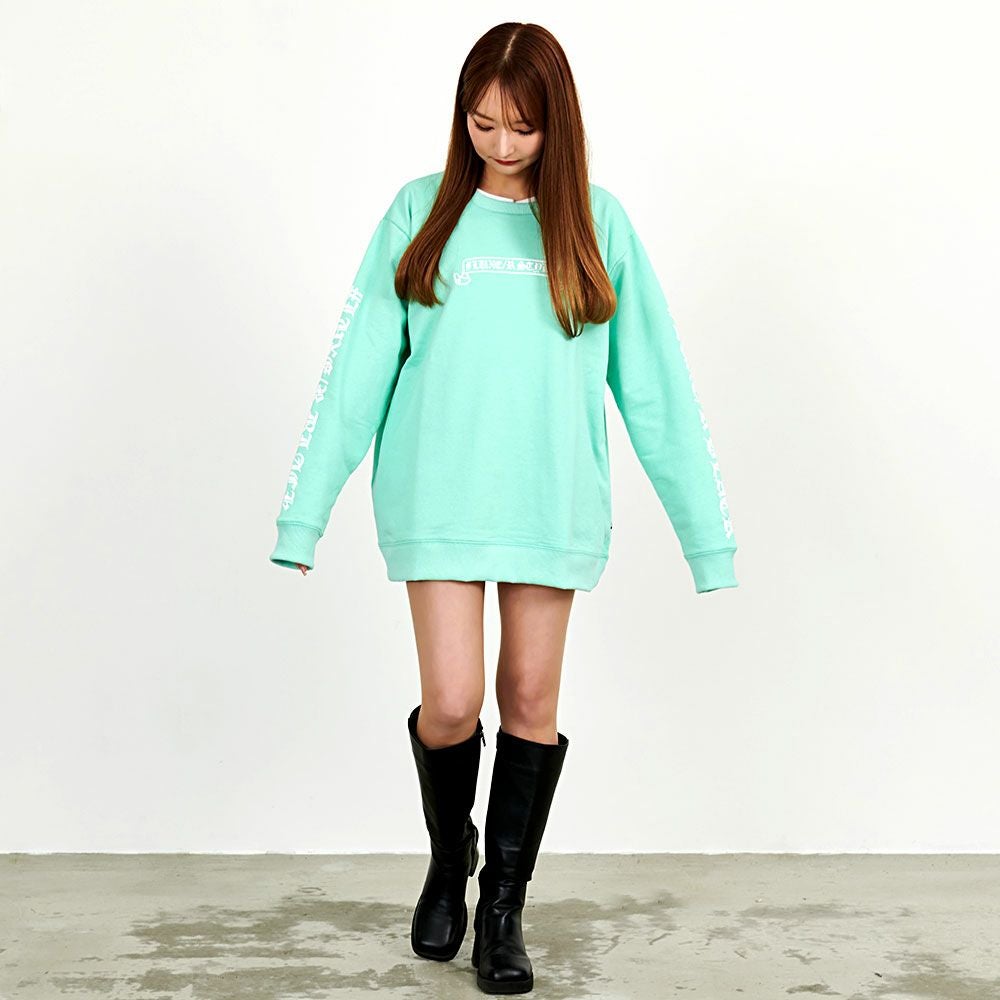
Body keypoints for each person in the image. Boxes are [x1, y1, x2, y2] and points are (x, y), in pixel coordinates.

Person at [268, 21, 739, 995]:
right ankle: (451, 859)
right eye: (483, 124)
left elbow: (656, 388)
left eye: (521, 127)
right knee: (451, 705)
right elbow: (356, 371)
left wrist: (708, 540)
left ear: (556, 123)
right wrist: (303, 515)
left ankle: (502, 909)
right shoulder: (420, 212)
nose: (502, 143)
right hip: (435, 494)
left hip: (549, 501)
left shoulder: (596, 225)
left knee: (528, 699)